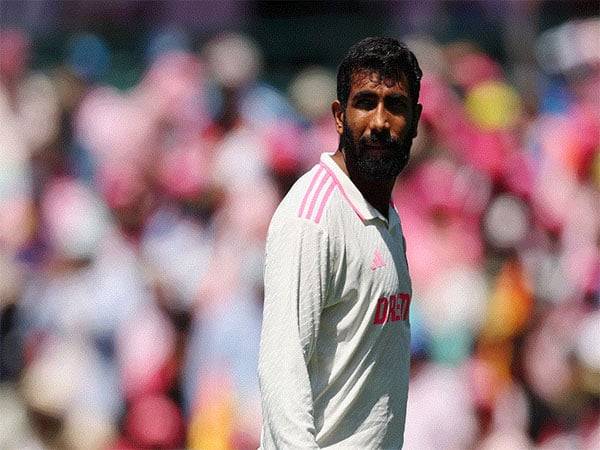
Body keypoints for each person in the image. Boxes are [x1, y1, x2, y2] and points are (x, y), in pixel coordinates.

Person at [258, 37, 423, 449]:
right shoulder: (312, 217)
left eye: (396, 105)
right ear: (338, 116)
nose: (380, 122)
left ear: (416, 120)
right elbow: (282, 367)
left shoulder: (385, 215)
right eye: (366, 102)